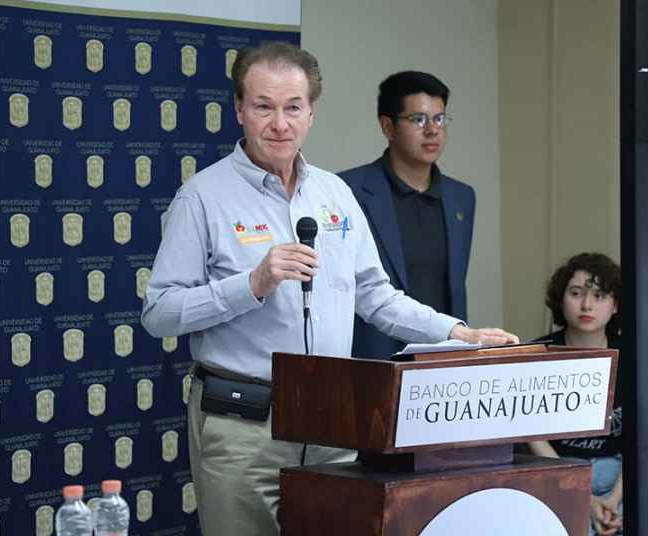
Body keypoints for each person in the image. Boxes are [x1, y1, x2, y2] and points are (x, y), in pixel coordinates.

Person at [140, 42, 516, 536]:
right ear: (239, 110)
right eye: (264, 107)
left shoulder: (334, 193)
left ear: (312, 113)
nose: (280, 124)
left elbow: (376, 295)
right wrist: (252, 284)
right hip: (244, 422)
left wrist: (456, 333)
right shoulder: (202, 197)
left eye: (293, 107)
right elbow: (160, 313)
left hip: (330, 420)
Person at [526, 252, 648, 536]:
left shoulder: (637, 358)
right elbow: (531, 436)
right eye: (576, 293)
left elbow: (643, 442)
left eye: (599, 296)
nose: (587, 305)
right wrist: (585, 498)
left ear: (615, 305)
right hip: (558, 477)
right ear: (560, 300)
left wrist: (612, 501)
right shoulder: (536, 356)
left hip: (621, 480)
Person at [339, 71, 474, 359]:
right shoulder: (347, 191)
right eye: (418, 119)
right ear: (388, 126)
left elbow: (454, 286)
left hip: (444, 358)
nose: (432, 130)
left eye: (439, 119)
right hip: (373, 359)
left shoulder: (461, 198)